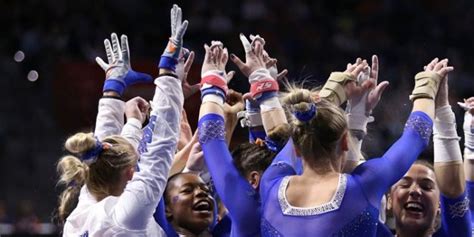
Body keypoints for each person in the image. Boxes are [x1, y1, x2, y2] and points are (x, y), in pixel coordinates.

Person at [254, 52, 445, 236]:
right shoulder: (365, 184)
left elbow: (302, 129)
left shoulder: (271, 182)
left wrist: (332, 94)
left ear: (297, 148)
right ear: (345, 142)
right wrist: (427, 85)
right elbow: (416, 136)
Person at [55, 4, 187, 236]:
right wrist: (168, 73)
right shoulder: (128, 215)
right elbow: (160, 151)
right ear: (130, 173)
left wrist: (118, 99)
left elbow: (109, 148)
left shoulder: (85, 208)